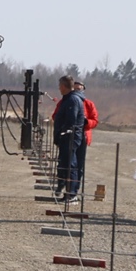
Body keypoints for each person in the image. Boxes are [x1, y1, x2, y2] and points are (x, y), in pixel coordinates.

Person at [52, 74, 87, 202]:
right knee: (66, 164)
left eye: (60, 86)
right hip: (66, 137)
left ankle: (71, 194)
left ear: (63, 86)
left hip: (70, 137)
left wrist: (62, 133)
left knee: (71, 165)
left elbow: (70, 120)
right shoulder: (68, 99)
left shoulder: (72, 100)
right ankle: (68, 192)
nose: (59, 88)